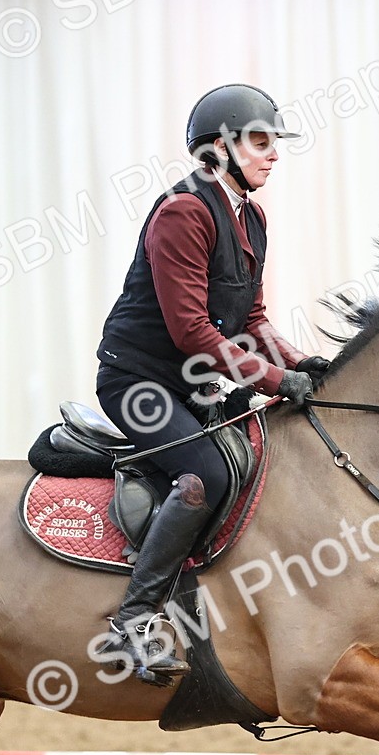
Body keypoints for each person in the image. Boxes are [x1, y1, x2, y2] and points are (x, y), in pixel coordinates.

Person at [93, 83, 330, 683]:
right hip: (138, 382)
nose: (273, 153)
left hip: (194, 386)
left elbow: (251, 320)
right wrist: (275, 380)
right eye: (259, 141)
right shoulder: (184, 212)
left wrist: (304, 364)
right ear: (218, 149)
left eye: (274, 142)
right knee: (208, 475)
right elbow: (193, 332)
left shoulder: (250, 216)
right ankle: (136, 618)